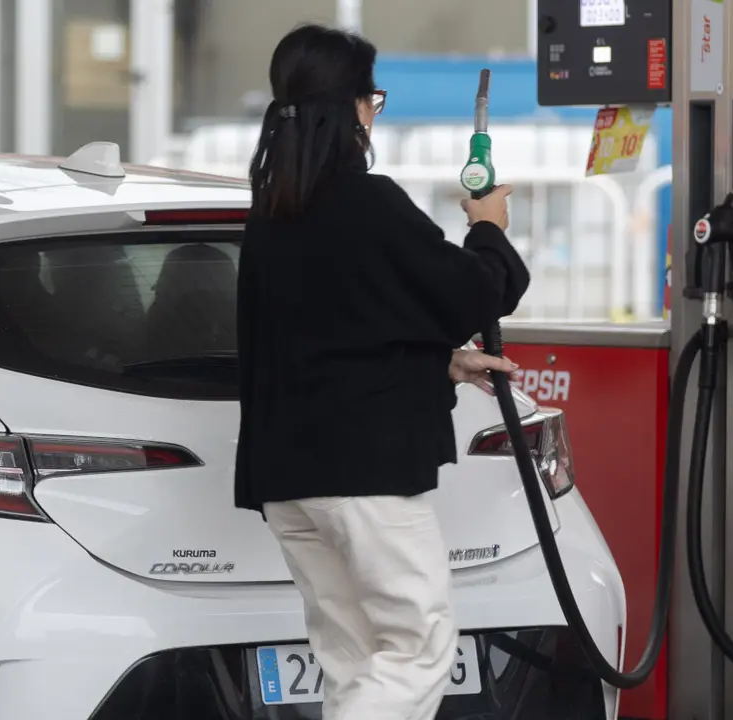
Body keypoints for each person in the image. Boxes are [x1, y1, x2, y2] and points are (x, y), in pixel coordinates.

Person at [234, 24, 530, 720]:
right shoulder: (367, 203)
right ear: (354, 109)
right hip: (362, 482)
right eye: (374, 99)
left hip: (288, 483)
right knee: (419, 649)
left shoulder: (270, 216)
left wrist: (440, 359)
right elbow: (477, 292)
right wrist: (488, 226)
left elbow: (327, 333)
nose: (375, 114)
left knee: (356, 658)